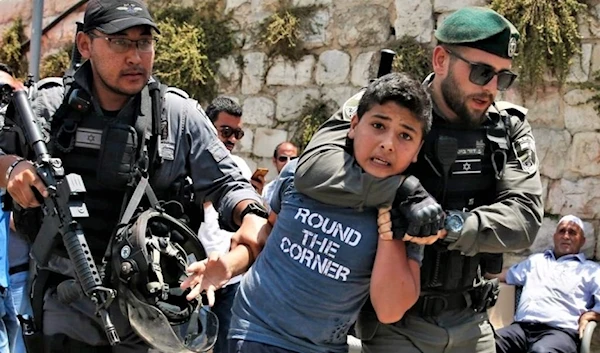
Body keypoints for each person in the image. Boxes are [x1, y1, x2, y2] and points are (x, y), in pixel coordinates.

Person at [0, 0, 269, 352]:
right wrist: (12, 169)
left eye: (144, 42)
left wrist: (251, 216)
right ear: (85, 46)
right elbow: (3, 155)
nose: (135, 56)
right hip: (67, 300)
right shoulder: (49, 105)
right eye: (119, 41)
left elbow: (228, 184)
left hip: (152, 308)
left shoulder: (177, 115)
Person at [295, 6, 543, 353]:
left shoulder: (507, 127)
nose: (491, 88)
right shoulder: (389, 106)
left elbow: (525, 219)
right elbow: (314, 169)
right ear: (441, 59)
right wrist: (402, 190)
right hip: (394, 325)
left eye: (502, 77)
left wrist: (449, 226)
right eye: (482, 71)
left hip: (473, 323)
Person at [184, 72, 435, 353]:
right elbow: (268, 237)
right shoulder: (304, 176)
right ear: (353, 125)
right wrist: (229, 266)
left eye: (405, 135)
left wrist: (389, 220)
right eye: (378, 125)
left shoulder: (409, 212)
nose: (388, 143)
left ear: (417, 150)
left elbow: (389, 309)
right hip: (252, 332)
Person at [493, 215, 600, 353]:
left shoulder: (591, 270)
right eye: (562, 231)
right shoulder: (536, 261)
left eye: (572, 232)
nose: (566, 236)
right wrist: (475, 272)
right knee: (489, 344)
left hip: (559, 333)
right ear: (555, 236)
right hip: (520, 329)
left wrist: (591, 315)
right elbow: (505, 275)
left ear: (582, 241)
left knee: (542, 351)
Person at [199, 96, 253, 353]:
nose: (231, 139)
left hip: (231, 278)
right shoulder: (188, 163)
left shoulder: (240, 167)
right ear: (208, 127)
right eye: (226, 131)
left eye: (237, 133)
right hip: (194, 273)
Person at [261, 141, 298, 207]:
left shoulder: (303, 189)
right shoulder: (267, 191)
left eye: (293, 159)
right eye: (283, 159)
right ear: (274, 161)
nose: (288, 163)